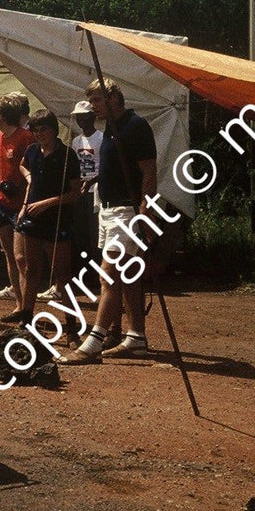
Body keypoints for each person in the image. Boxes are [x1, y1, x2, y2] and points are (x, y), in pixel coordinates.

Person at [59, 78, 159, 364]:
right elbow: (118, 168)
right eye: (91, 101)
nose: (92, 107)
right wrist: (96, 180)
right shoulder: (110, 131)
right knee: (128, 276)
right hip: (108, 208)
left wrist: (145, 209)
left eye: (97, 101)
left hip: (127, 210)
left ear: (113, 97)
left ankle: (95, 340)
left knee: (109, 274)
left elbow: (149, 171)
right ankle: (136, 335)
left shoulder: (134, 126)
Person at [12, 109, 83, 331]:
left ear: (54, 129)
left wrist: (47, 203)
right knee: (32, 270)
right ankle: (26, 318)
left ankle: (71, 325)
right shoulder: (32, 151)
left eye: (44, 129)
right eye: (36, 130)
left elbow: (75, 193)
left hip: (57, 219)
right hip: (32, 219)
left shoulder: (67, 154)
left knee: (62, 275)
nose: (40, 134)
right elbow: (22, 164)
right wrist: (28, 179)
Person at [0, 93, 34, 316]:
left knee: (21, 258)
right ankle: (19, 304)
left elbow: (33, 170)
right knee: (9, 255)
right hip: (2, 202)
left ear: (5, 115)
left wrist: (25, 197)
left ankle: (27, 308)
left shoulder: (25, 138)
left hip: (21, 204)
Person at [69, 98, 105, 287]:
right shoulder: (76, 141)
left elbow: (106, 166)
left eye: (84, 117)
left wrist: (92, 180)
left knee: (95, 235)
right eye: (78, 118)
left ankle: (99, 274)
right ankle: (86, 274)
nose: (81, 121)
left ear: (92, 117)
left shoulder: (101, 138)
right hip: (80, 192)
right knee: (81, 235)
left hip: (95, 191)